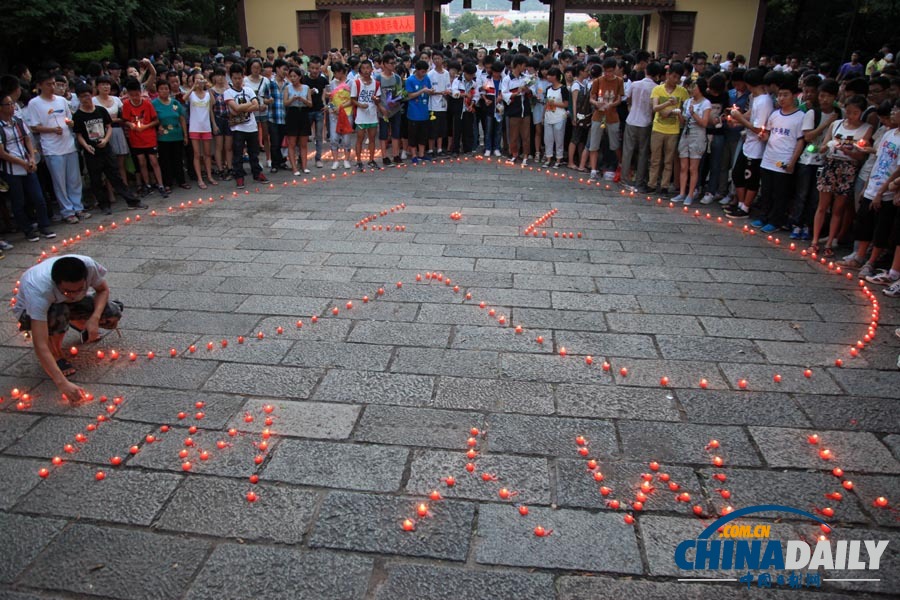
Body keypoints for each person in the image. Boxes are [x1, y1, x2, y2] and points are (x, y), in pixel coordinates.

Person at [13, 255, 124, 401]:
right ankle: (56, 353)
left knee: (112, 314)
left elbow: (102, 290)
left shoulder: (89, 266)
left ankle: (74, 322)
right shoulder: (39, 292)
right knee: (58, 312)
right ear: (56, 284)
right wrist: (62, 383)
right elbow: (40, 344)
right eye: (68, 291)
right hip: (31, 312)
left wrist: (94, 319)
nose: (74, 294)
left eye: (80, 289)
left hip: (62, 303)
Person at [810, 95, 873, 256]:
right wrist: (828, 146)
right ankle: (815, 240)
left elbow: (861, 156)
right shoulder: (836, 124)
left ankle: (831, 241)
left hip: (848, 168)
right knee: (823, 205)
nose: (850, 116)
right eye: (848, 111)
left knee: (838, 208)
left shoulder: (867, 128)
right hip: (831, 164)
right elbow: (823, 146)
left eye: (855, 113)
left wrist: (847, 150)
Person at [25, 71, 90, 224]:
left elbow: (70, 118)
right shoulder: (35, 103)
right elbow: (34, 127)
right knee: (59, 181)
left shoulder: (61, 100)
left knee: (74, 179)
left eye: (54, 83)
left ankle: (78, 207)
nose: (52, 87)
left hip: (68, 144)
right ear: (40, 86)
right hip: (52, 148)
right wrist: (52, 130)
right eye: (48, 84)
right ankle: (67, 211)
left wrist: (71, 124)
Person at [72, 84, 145, 214]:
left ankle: (131, 201)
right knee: (96, 179)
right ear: (78, 98)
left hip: (106, 148)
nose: (86, 99)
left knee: (115, 175)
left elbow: (109, 126)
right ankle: (104, 205)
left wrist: (105, 140)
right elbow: (79, 135)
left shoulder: (100, 110)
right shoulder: (78, 115)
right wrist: (86, 146)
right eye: (82, 97)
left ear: (91, 95)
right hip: (91, 151)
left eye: (87, 95)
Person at [750, 77, 806, 233]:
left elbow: (800, 141)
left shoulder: (800, 117)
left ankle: (776, 220)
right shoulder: (774, 115)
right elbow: (768, 134)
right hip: (768, 158)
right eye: (779, 95)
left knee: (780, 193)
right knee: (766, 191)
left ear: (794, 96)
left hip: (784, 160)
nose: (781, 98)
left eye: (785, 95)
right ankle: (764, 216)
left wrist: (792, 162)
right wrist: (764, 137)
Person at [0, 93, 56, 242]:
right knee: (19, 201)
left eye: (13, 104)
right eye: (8, 104)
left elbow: (27, 140)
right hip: (12, 168)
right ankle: (27, 229)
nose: (12, 107)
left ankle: (44, 225)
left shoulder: (18, 121)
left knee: (39, 197)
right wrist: (21, 162)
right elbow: (2, 153)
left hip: (27, 164)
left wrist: (31, 158)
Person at [790, 78, 840, 240]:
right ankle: (796, 223)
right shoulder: (813, 113)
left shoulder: (840, 114)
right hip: (808, 159)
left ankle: (808, 225)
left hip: (827, 161)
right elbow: (808, 136)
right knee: (802, 193)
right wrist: (827, 125)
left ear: (835, 97)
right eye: (822, 96)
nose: (824, 99)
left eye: (828, 96)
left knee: (815, 197)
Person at [725, 68, 772, 219]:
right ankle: (740, 203)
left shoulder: (764, 101)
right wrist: (735, 120)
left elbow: (758, 128)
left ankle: (745, 206)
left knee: (750, 177)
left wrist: (739, 118)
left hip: (756, 146)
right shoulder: (756, 98)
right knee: (737, 174)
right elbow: (750, 115)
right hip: (748, 144)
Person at [121, 77, 168, 198]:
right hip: (135, 137)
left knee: (153, 160)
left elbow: (156, 120)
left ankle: (160, 184)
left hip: (149, 136)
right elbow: (125, 120)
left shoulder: (147, 103)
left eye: (137, 95)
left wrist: (146, 126)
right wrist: (130, 124)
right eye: (132, 95)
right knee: (141, 162)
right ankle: (147, 184)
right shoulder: (126, 104)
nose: (135, 98)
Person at [648, 62, 688, 196]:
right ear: (668, 75)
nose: (675, 80)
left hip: (673, 130)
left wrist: (677, 113)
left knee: (669, 160)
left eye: (678, 78)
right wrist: (667, 103)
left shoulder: (682, 92)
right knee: (655, 158)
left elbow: (684, 110)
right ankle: (652, 183)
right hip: (658, 128)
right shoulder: (657, 89)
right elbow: (655, 108)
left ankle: (664, 185)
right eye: (674, 77)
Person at [224, 63, 267, 188]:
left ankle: (257, 173)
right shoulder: (228, 93)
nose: (238, 81)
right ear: (231, 78)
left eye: (240, 78)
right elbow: (235, 108)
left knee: (254, 153)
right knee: (238, 153)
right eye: (235, 78)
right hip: (238, 128)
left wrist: (244, 107)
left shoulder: (248, 90)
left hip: (251, 126)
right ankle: (239, 176)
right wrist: (248, 106)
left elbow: (256, 105)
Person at [673, 77, 712, 205]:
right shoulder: (688, 102)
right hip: (686, 133)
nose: (691, 90)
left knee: (693, 168)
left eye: (693, 87)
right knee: (683, 166)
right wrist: (679, 114)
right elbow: (684, 121)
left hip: (698, 135)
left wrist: (694, 114)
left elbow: (704, 123)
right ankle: (682, 192)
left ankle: (691, 193)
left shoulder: (706, 103)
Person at [622, 61, 660, 191]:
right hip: (646, 122)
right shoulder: (656, 88)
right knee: (643, 152)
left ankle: (624, 178)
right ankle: (639, 181)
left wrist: (630, 107)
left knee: (628, 150)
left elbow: (627, 98)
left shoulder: (634, 84)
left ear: (646, 71)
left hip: (631, 119)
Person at [152, 79, 190, 193]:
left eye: (166, 88)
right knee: (165, 160)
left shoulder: (175, 103)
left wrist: (185, 135)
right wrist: (158, 127)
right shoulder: (154, 104)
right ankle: (167, 183)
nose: (164, 91)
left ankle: (181, 181)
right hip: (163, 137)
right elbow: (152, 118)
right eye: (162, 89)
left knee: (178, 159)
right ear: (158, 90)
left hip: (177, 134)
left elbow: (182, 118)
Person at [186, 72, 219, 189]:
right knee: (196, 154)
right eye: (197, 79)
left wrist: (208, 88)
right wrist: (193, 87)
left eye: (201, 79)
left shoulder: (207, 94)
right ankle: (200, 178)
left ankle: (209, 176)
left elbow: (213, 103)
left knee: (207, 154)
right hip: (194, 127)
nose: (200, 81)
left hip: (206, 127)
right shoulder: (192, 94)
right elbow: (184, 98)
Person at [502, 55, 532, 165]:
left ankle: (525, 156)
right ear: (518, 65)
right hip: (514, 110)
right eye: (524, 65)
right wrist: (516, 93)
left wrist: (527, 90)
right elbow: (504, 94)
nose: (525, 68)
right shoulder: (507, 79)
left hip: (526, 110)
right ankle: (514, 154)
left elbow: (531, 92)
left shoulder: (526, 78)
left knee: (526, 136)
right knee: (513, 136)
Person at [326, 62, 354, 170]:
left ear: (341, 72)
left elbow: (352, 100)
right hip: (334, 114)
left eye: (336, 72)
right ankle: (335, 160)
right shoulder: (332, 83)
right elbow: (330, 99)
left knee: (346, 138)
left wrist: (341, 107)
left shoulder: (350, 83)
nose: (335, 75)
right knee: (334, 137)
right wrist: (332, 108)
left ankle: (346, 160)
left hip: (347, 113)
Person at [405, 60, 434, 164]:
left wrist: (431, 91)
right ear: (417, 70)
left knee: (423, 135)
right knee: (413, 135)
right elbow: (409, 96)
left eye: (425, 71)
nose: (424, 73)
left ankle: (421, 154)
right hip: (413, 112)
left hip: (424, 112)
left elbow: (429, 89)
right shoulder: (410, 80)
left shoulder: (427, 78)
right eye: (422, 71)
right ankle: (413, 154)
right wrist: (422, 91)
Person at [303, 56, 329, 168]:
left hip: (319, 110)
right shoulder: (303, 79)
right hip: (306, 111)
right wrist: (308, 93)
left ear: (320, 68)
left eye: (317, 68)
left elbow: (328, 93)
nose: (314, 70)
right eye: (312, 68)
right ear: (308, 68)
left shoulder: (323, 79)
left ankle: (318, 158)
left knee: (319, 136)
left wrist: (327, 105)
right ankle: (301, 159)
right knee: (304, 136)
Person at [541, 66, 569, 168]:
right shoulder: (548, 89)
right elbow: (545, 103)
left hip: (559, 116)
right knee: (548, 139)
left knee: (559, 139)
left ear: (556, 77)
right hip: (549, 116)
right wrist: (543, 116)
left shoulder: (563, 89)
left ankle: (558, 159)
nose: (548, 77)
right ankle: (548, 158)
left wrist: (554, 103)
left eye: (550, 75)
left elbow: (566, 104)